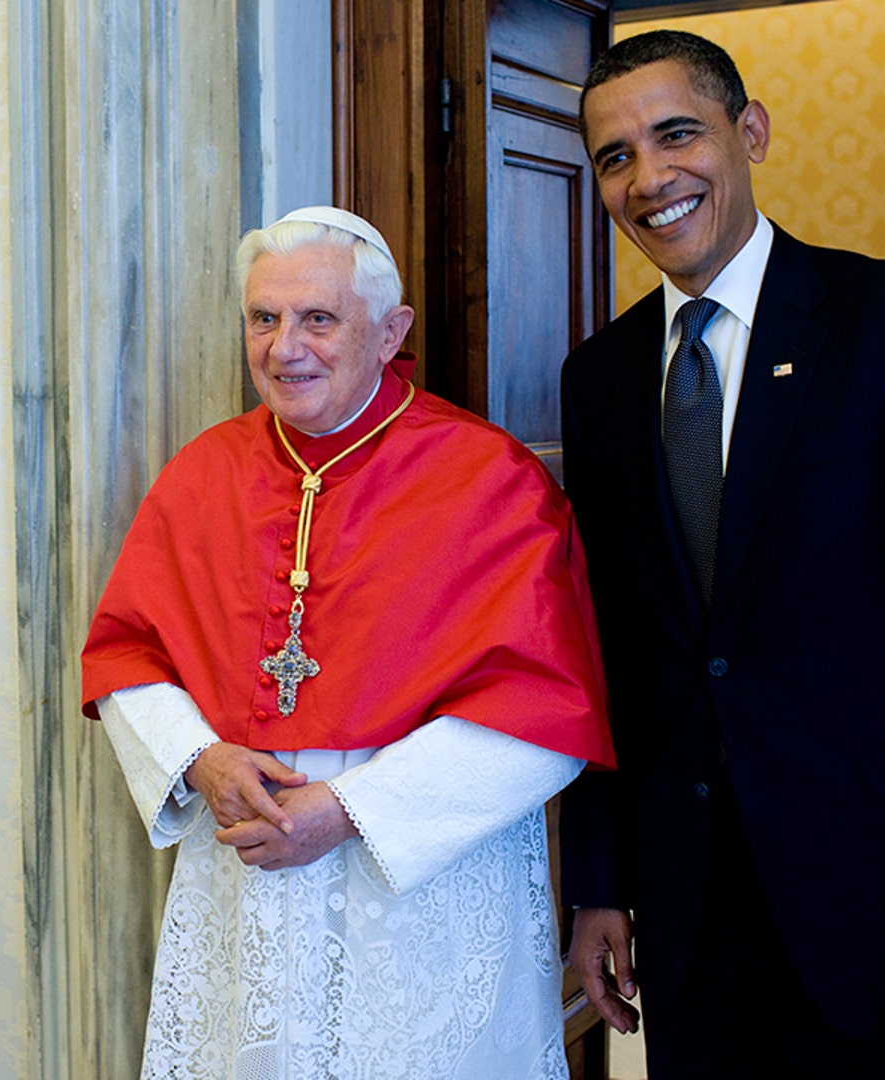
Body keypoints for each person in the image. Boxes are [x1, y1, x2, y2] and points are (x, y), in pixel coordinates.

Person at [557, 30, 885, 1079]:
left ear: (751, 133)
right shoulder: (598, 379)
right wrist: (599, 881)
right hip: (689, 924)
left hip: (877, 912)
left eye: (676, 134)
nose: (649, 180)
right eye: (614, 156)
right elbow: (610, 652)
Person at [82, 206, 613, 1078]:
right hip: (245, 872)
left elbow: (546, 715)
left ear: (391, 330)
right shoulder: (203, 471)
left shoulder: (489, 481)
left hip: (418, 889)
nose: (285, 346)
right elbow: (126, 655)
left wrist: (349, 809)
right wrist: (203, 759)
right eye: (264, 318)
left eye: (318, 319)